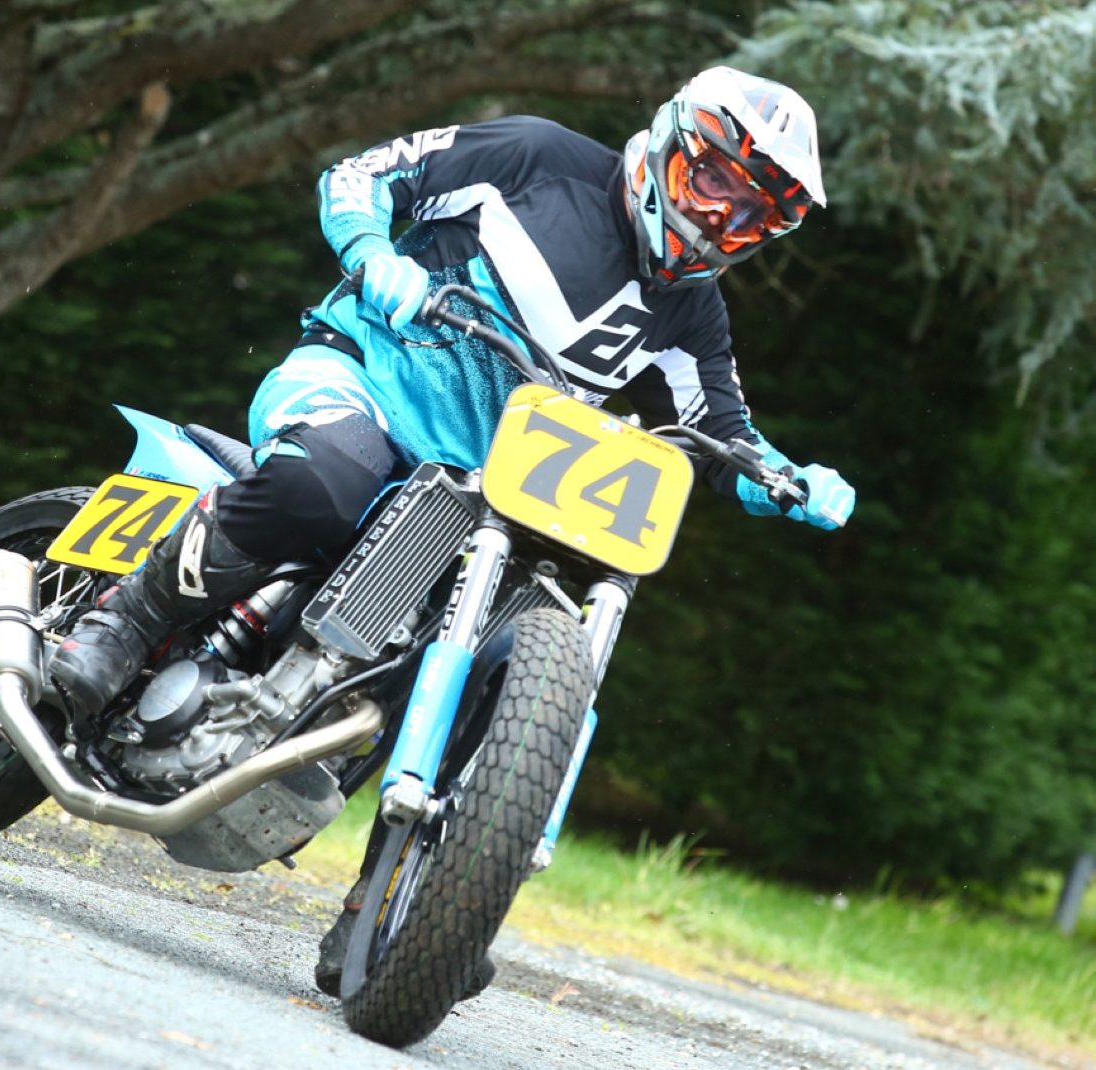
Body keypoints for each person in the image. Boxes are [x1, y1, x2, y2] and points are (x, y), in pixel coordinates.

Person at [51, 66, 856, 997]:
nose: (722, 218)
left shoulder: (690, 311)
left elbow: (721, 429)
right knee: (323, 485)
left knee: (496, 650)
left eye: (752, 214)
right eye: (716, 181)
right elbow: (362, 175)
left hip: (480, 491)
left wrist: (787, 480)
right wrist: (373, 252)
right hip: (359, 379)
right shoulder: (538, 155)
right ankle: (121, 624)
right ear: (673, 142)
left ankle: (400, 909)